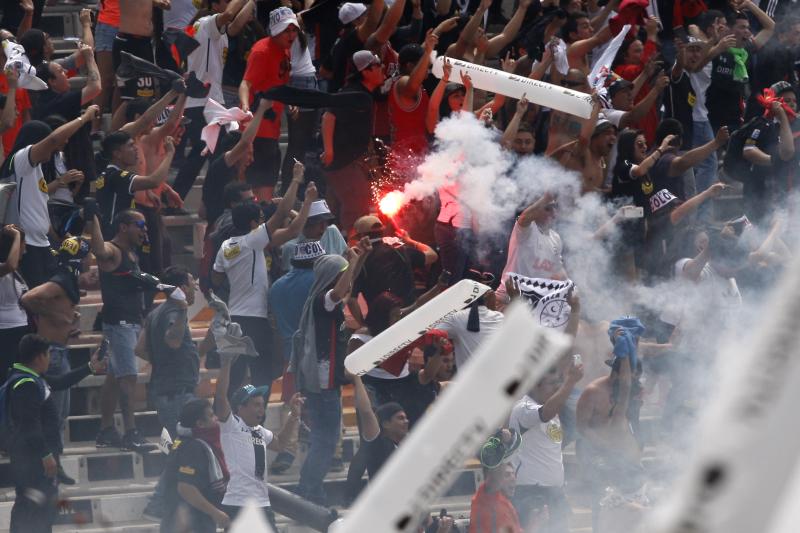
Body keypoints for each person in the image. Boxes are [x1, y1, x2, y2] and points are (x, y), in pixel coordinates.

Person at [211, 178, 318, 393]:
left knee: (235, 377)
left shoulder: (226, 246)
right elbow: (284, 215)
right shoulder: (253, 240)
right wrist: (298, 183)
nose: (263, 223)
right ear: (253, 225)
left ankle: (229, 412)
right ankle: (257, 414)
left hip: (233, 318)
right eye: (260, 220)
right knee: (263, 375)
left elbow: (216, 279)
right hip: (255, 320)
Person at [291, 240, 371, 505]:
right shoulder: (322, 300)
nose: (344, 281)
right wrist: (352, 262)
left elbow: (346, 290)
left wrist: (359, 260)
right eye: (341, 274)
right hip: (322, 384)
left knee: (323, 439)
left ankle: (308, 487)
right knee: (326, 440)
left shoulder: (324, 301)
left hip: (325, 382)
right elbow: (338, 293)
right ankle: (310, 489)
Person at [4, 334, 106, 533]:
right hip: (32, 461)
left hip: (37, 460)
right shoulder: (25, 384)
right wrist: (46, 455)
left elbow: (60, 382)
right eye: (48, 354)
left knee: (42, 509)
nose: (50, 359)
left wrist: (90, 367)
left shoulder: (34, 378)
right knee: (30, 508)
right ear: (39, 357)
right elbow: (29, 425)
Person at [2, 106, 100, 287]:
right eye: (50, 146)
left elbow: (40, 214)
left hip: (41, 243)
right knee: (36, 297)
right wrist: (85, 117)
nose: (55, 148)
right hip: (26, 246)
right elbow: (54, 139)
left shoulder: (36, 170)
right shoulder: (21, 160)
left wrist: (64, 237)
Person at [20, 237, 91, 484]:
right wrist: (56, 315)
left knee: (60, 415)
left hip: (60, 350)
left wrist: (68, 322)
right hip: (51, 354)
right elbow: (28, 298)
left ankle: (56, 464)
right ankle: (51, 465)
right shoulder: (59, 281)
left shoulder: (67, 281)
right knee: (53, 416)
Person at [169, 0, 253, 200]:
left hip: (208, 103)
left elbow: (235, 25)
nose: (231, 4)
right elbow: (229, 15)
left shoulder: (212, 29)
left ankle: (192, 200)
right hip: (202, 103)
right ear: (215, 5)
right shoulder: (207, 24)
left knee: (205, 154)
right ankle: (206, 202)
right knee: (211, 156)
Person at [213, 352, 304, 527]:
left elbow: (280, 444)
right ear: (240, 408)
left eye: (262, 405)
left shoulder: (260, 431)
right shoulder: (230, 425)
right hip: (237, 502)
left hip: (261, 502)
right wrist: (226, 363)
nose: (261, 410)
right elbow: (220, 396)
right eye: (256, 405)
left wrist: (293, 416)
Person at [87, 208, 151, 451]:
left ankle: (106, 430)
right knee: (128, 377)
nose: (144, 230)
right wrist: (93, 217)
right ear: (124, 227)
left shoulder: (131, 252)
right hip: (120, 323)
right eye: (140, 225)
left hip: (130, 321)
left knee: (114, 377)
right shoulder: (113, 250)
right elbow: (99, 250)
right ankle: (130, 432)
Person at [268, 239, 328, 474]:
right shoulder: (321, 283)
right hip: (319, 352)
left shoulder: (276, 287)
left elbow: (274, 321)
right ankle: (333, 452)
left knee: (291, 401)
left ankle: (287, 450)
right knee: (325, 400)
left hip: (290, 352)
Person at [509, 362, 584, 533]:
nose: (557, 387)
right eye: (552, 383)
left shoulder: (554, 413)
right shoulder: (524, 408)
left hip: (554, 492)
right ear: (535, 385)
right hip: (531, 493)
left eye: (558, 382)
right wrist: (570, 382)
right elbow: (544, 413)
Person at [238, 7, 300, 200]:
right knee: (248, 190)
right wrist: (244, 107)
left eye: (294, 30)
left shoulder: (285, 51)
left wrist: (290, 102)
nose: (291, 35)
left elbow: (281, 84)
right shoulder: (262, 51)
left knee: (267, 188)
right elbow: (245, 83)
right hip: (254, 130)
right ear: (275, 30)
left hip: (272, 129)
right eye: (286, 31)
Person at [321, 51, 386, 232]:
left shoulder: (364, 92)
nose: (382, 68)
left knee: (340, 205)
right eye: (377, 65)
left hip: (350, 159)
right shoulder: (353, 93)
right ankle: (355, 242)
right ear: (365, 71)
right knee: (356, 204)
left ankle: (334, 240)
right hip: (342, 161)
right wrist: (329, 150)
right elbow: (328, 117)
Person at [136, 266, 200, 436]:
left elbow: (139, 349)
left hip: (163, 391)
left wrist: (162, 359)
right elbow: (173, 341)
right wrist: (183, 309)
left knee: (175, 442)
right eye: (193, 285)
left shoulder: (154, 313)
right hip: (177, 393)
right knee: (184, 443)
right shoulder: (175, 310)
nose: (195, 290)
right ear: (183, 289)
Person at [160, 399, 230, 533]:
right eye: (211, 416)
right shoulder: (194, 447)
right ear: (200, 424)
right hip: (189, 523)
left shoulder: (182, 440)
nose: (216, 419)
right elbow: (186, 488)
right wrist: (215, 513)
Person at [96, 132, 177, 238]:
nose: (136, 148)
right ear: (117, 154)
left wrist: (148, 192)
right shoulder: (117, 175)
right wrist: (169, 153)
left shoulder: (108, 173)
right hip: (114, 237)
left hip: (110, 235)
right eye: (130, 145)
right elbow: (153, 181)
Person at [350, 214, 436, 311]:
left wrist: (365, 321)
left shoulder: (359, 262)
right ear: (382, 232)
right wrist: (410, 241)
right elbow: (433, 255)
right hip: (410, 311)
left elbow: (351, 300)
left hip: (382, 318)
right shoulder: (400, 249)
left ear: (361, 237)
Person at [496, 193, 567, 303]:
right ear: (535, 210)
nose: (553, 214)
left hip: (533, 303)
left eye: (555, 208)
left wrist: (570, 287)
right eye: (547, 209)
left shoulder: (556, 238)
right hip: (508, 299)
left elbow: (558, 270)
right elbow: (524, 217)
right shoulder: (526, 230)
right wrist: (546, 197)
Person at [279, 200, 347, 273]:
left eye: (326, 222)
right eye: (319, 223)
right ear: (305, 225)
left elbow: (345, 261)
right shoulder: (290, 247)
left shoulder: (332, 231)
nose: (323, 228)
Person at [0, 225, 29, 378]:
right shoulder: (5, 268)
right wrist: (17, 236)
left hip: (19, 329)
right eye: (23, 244)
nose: (25, 250)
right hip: (5, 331)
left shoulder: (18, 271)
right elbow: (10, 265)